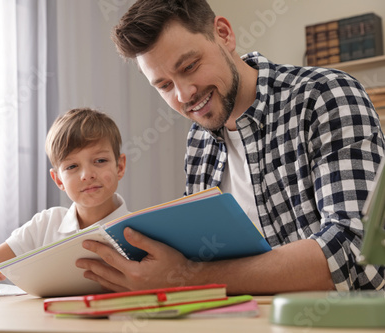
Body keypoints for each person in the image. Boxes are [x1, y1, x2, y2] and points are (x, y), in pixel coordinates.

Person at [76, 0, 385, 294]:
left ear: (223, 34)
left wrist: (187, 278)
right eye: (165, 85)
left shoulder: (325, 96)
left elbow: (355, 255)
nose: (183, 95)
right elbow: (200, 255)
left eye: (190, 66)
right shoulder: (199, 142)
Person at [0, 108, 128, 296]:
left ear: (119, 166)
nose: (87, 175)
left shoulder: (140, 232)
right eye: (72, 166)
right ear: (58, 180)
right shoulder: (45, 225)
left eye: (100, 160)